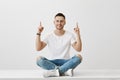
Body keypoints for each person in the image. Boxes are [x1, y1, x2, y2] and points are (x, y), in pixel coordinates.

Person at [36, 13, 82, 77]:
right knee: (39, 59)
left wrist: (78, 34)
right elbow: (38, 48)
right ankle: (64, 71)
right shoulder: (49, 36)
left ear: (65, 22)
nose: (59, 23)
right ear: (54, 22)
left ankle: (54, 72)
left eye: (61, 21)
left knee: (79, 57)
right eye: (57, 21)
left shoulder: (70, 35)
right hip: (52, 62)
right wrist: (39, 33)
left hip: (66, 62)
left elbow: (78, 49)